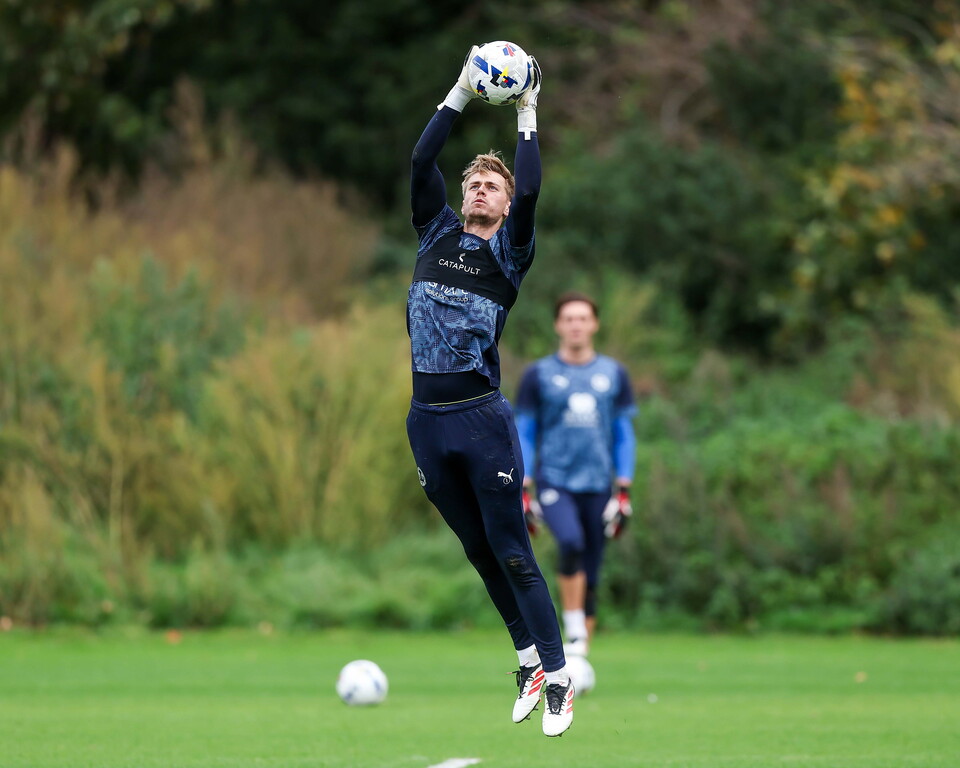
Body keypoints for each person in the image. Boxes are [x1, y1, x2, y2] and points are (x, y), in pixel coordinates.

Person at [405, 46, 574, 737]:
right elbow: (421, 164)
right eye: (474, 182)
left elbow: (532, 190)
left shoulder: (511, 252)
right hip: (426, 422)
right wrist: (460, 92)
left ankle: (561, 678)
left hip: (480, 420)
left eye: (490, 186)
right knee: (476, 550)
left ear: (504, 207)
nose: (479, 189)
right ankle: (529, 659)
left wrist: (527, 109)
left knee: (512, 550)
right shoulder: (435, 230)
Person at [515, 291, 637, 657]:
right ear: (557, 325)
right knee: (570, 542)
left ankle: (579, 659)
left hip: (598, 484)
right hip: (555, 481)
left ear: (594, 324)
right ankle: (573, 629)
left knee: (593, 572)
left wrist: (624, 487)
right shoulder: (539, 375)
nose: (576, 325)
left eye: (582, 318)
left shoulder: (613, 374)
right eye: (568, 318)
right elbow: (525, 429)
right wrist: (523, 482)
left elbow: (623, 433)